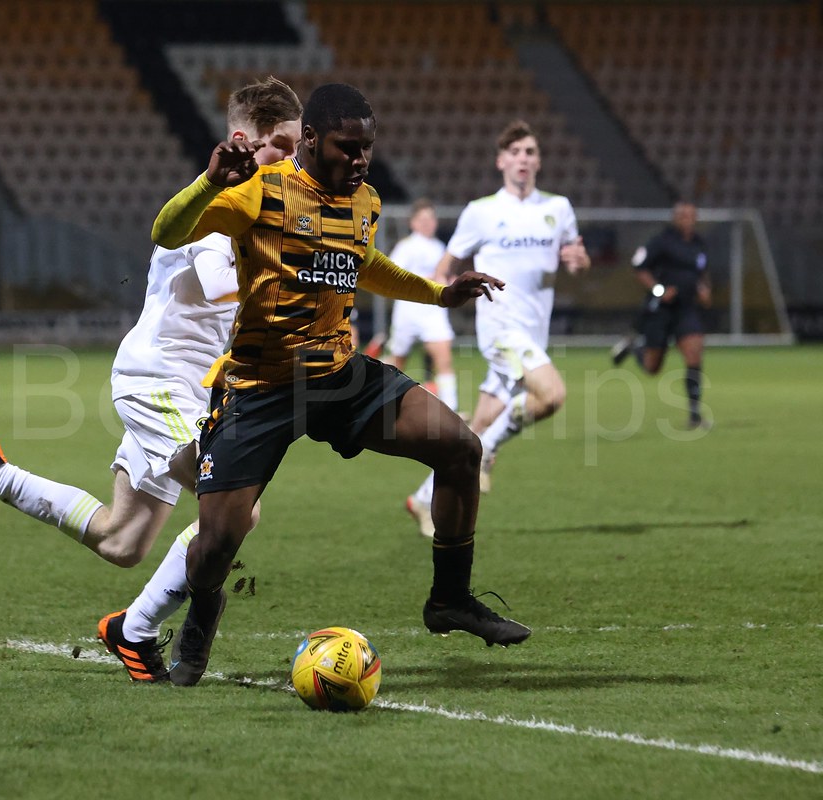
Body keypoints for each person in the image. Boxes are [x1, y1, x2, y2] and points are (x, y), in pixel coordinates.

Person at [138, 83, 531, 687]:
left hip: (341, 378)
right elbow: (166, 232)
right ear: (313, 141)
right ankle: (204, 608)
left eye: (368, 149)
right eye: (349, 148)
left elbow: (363, 261)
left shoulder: (365, 200)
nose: (361, 160)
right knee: (217, 543)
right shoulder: (259, 194)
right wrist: (209, 182)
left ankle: (449, 598)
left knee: (461, 447)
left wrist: (437, 293)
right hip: (260, 387)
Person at [0, 78, 304, 682]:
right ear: (242, 141)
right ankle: (137, 629)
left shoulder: (265, 207)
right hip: (160, 378)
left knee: (122, 542)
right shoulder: (216, 206)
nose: (291, 158)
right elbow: (231, 286)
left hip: (196, 389)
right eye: (279, 145)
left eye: (297, 146)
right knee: (236, 509)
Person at [406, 120, 590, 536]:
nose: (523, 159)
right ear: (501, 160)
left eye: (530, 152)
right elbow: (445, 267)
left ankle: (420, 497)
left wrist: (579, 262)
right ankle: (487, 454)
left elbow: (576, 258)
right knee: (553, 395)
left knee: (477, 428)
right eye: (516, 152)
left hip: (532, 332)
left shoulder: (557, 208)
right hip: (500, 328)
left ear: (538, 161)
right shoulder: (482, 211)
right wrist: (443, 297)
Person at [609, 201, 711, 429]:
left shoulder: (699, 244)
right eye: (682, 215)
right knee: (653, 368)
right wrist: (660, 290)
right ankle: (635, 349)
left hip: (686, 309)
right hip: (661, 311)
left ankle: (695, 415)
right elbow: (639, 267)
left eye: (691, 215)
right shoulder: (661, 241)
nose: (687, 219)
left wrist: (704, 289)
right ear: (675, 218)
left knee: (694, 353)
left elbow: (701, 272)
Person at [383, 198, 459, 412]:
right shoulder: (406, 247)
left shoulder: (439, 248)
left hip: (433, 313)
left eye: (431, 218)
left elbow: (441, 277)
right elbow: (392, 276)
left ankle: (452, 411)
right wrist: (425, 280)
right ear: (413, 223)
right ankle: (383, 405)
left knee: (444, 359)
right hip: (408, 313)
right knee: (396, 364)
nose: (427, 223)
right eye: (422, 219)